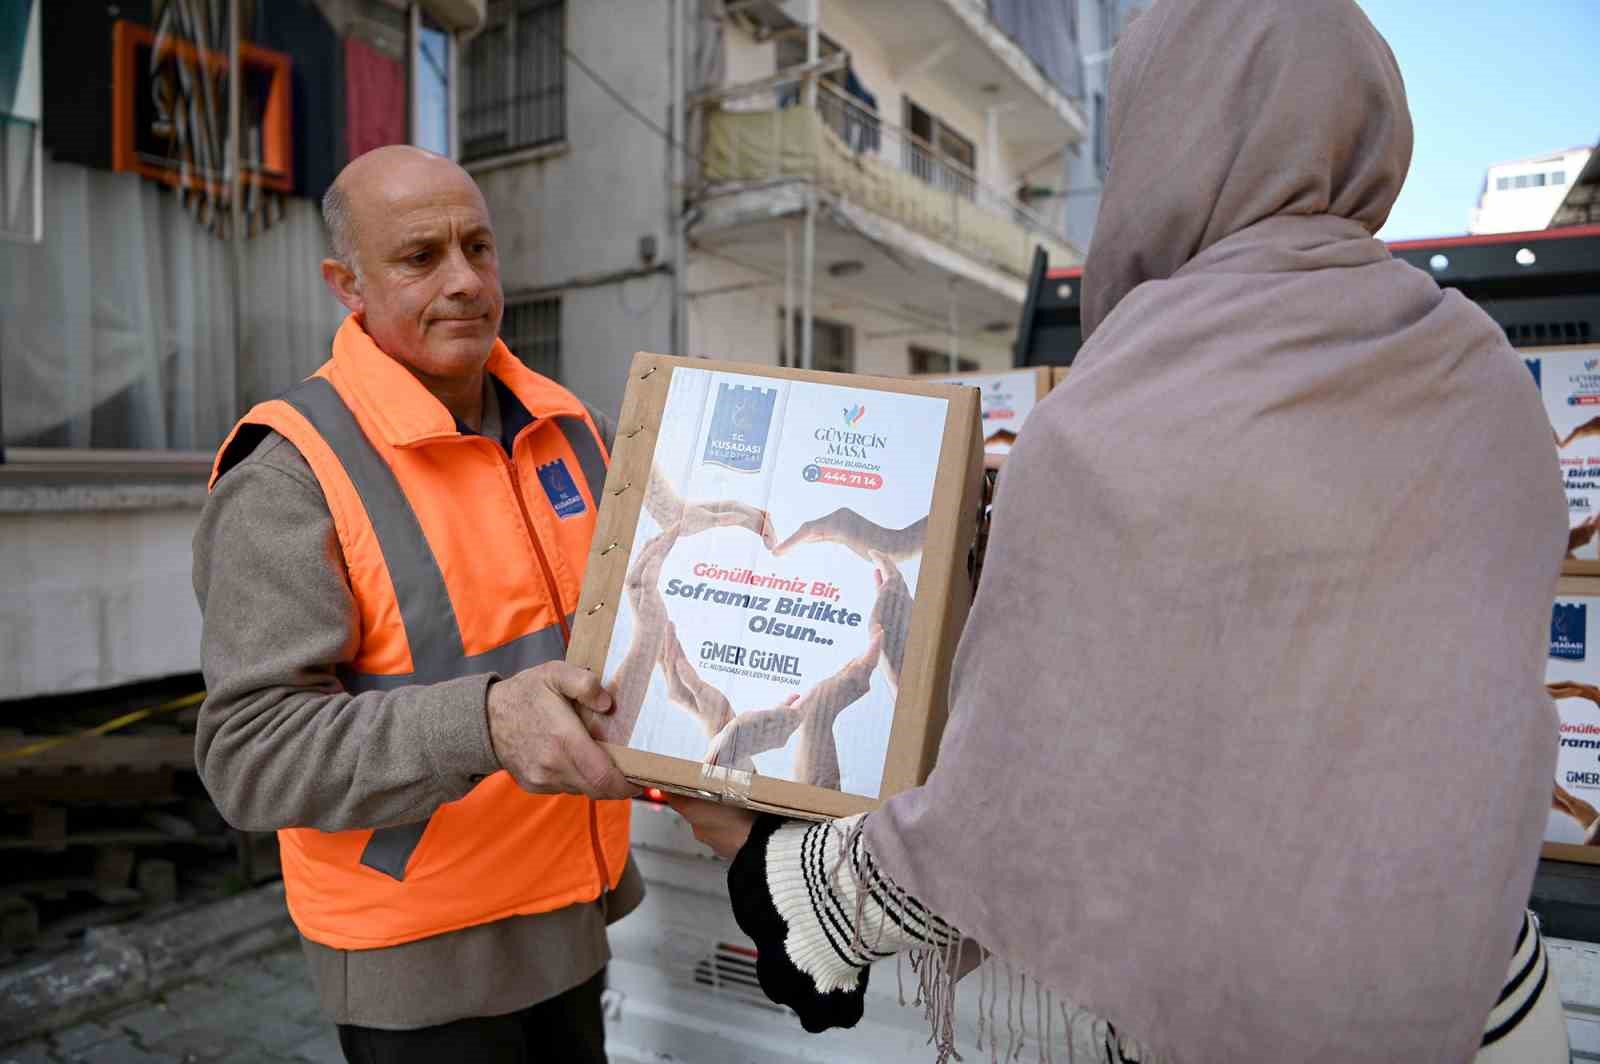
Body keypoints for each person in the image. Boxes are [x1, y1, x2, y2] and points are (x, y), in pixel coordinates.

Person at [670, 0, 1571, 1060]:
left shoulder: (1111, 417)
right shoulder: (1478, 372)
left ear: (1168, 131)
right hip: (1491, 1004)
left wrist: (789, 879)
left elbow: (1024, 806)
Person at [192, 145, 640, 1064]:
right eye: (420, 257)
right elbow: (250, 755)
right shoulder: (289, 475)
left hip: (573, 910)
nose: (465, 280)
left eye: (479, 247)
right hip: (416, 956)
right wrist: (487, 722)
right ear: (346, 286)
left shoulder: (573, 428)